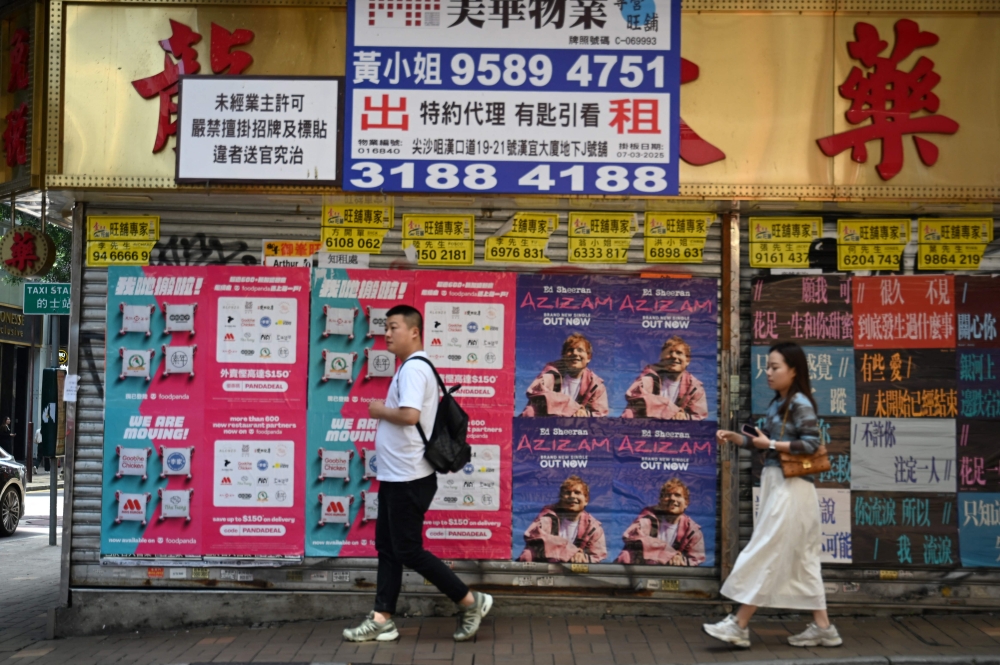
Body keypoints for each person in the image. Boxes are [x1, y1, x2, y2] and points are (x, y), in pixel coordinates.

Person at [343, 305, 492, 644]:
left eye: (393, 326)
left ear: (414, 331)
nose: (387, 333)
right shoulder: (411, 367)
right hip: (398, 476)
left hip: (409, 477)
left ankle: (470, 601)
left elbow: (410, 416)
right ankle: (382, 619)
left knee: (407, 550)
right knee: (388, 548)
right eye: (385, 327)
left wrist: (379, 411)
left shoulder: (413, 368)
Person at [704, 341, 841, 649]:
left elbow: (811, 443)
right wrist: (736, 437)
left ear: (793, 371)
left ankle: (739, 624)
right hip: (778, 483)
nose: (768, 372)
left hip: (792, 487)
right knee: (802, 558)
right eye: (767, 366)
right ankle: (824, 628)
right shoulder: (778, 402)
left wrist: (771, 445)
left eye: (775, 367)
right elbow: (762, 441)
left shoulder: (800, 403)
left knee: (767, 548)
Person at [614, 478, 705, 566]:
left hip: (672, 573)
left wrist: (681, 560)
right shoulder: (647, 518)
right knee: (627, 554)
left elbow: (696, 558)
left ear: (686, 503)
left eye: (677, 495)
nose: (672, 498)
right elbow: (631, 536)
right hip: (642, 570)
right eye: (667, 495)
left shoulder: (692, 531)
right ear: (660, 501)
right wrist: (669, 554)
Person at [517, 475, 607, 563]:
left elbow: (597, 556)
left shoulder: (593, 528)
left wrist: (582, 557)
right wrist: (571, 552)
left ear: (586, 500)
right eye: (567, 493)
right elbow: (534, 536)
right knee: (528, 554)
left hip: (576, 571)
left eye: (577, 492)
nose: (572, 496)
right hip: (546, 569)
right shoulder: (547, 518)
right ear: (561, 499)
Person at [521, 333, 609, 417]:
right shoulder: (551, 373)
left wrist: (585, 414)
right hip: (549, 421)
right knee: (530, 410)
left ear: (589, 358)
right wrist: (573, 407)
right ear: (563, 356)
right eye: (570, 350)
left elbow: (601, 414)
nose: (575, 353)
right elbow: (535, 390)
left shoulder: (595, 386)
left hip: (578, 425)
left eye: (580, 350)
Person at [621, 336, 708, 420]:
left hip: (677, 428)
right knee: (629, 412)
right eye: (670, 352)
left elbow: (699, 416)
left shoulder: (694, 388)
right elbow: (635, 395)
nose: (674, 356)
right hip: (648, 425)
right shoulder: (649, 376)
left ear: (687, 360)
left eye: (679, 353)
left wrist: (684, 416)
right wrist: (672, 411)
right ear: (662, 358)